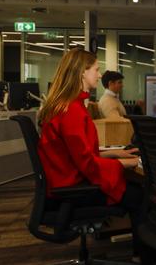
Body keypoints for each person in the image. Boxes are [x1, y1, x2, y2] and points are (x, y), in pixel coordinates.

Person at [37, 48, 143, 258]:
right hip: (72, 191)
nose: (100, 74)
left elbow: (76, 154)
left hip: (62, 186)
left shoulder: (65, 106)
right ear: (82, 72)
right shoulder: (72, 111)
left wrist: (114, 155)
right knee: (140, 196)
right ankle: (143, 256)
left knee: (136, 189)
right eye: (96, 69)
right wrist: (128, 164)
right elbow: (86, 164)